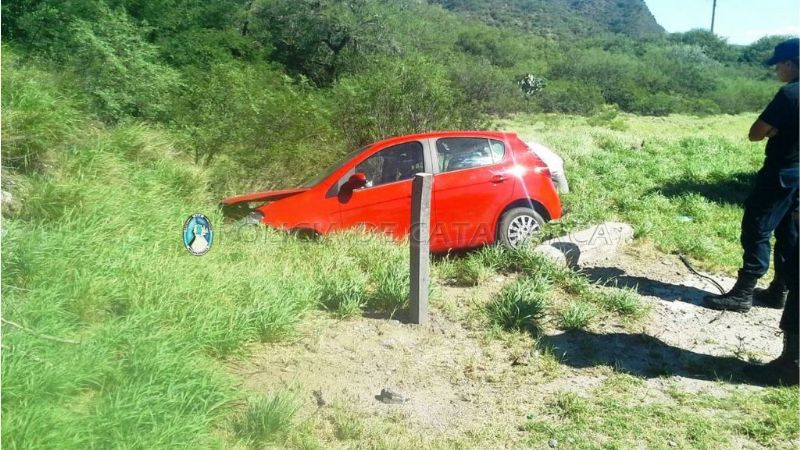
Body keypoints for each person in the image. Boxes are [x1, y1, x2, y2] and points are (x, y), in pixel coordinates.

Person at [705, 37, 799, 314]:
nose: (776, 71)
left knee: (757, 228)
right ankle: (779, 291)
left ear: (790, 64)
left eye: (778, 64)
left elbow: (755, 133)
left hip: (780, 172)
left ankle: (743, 294)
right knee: (789, 233)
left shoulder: (790, 94)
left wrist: (774, 130)